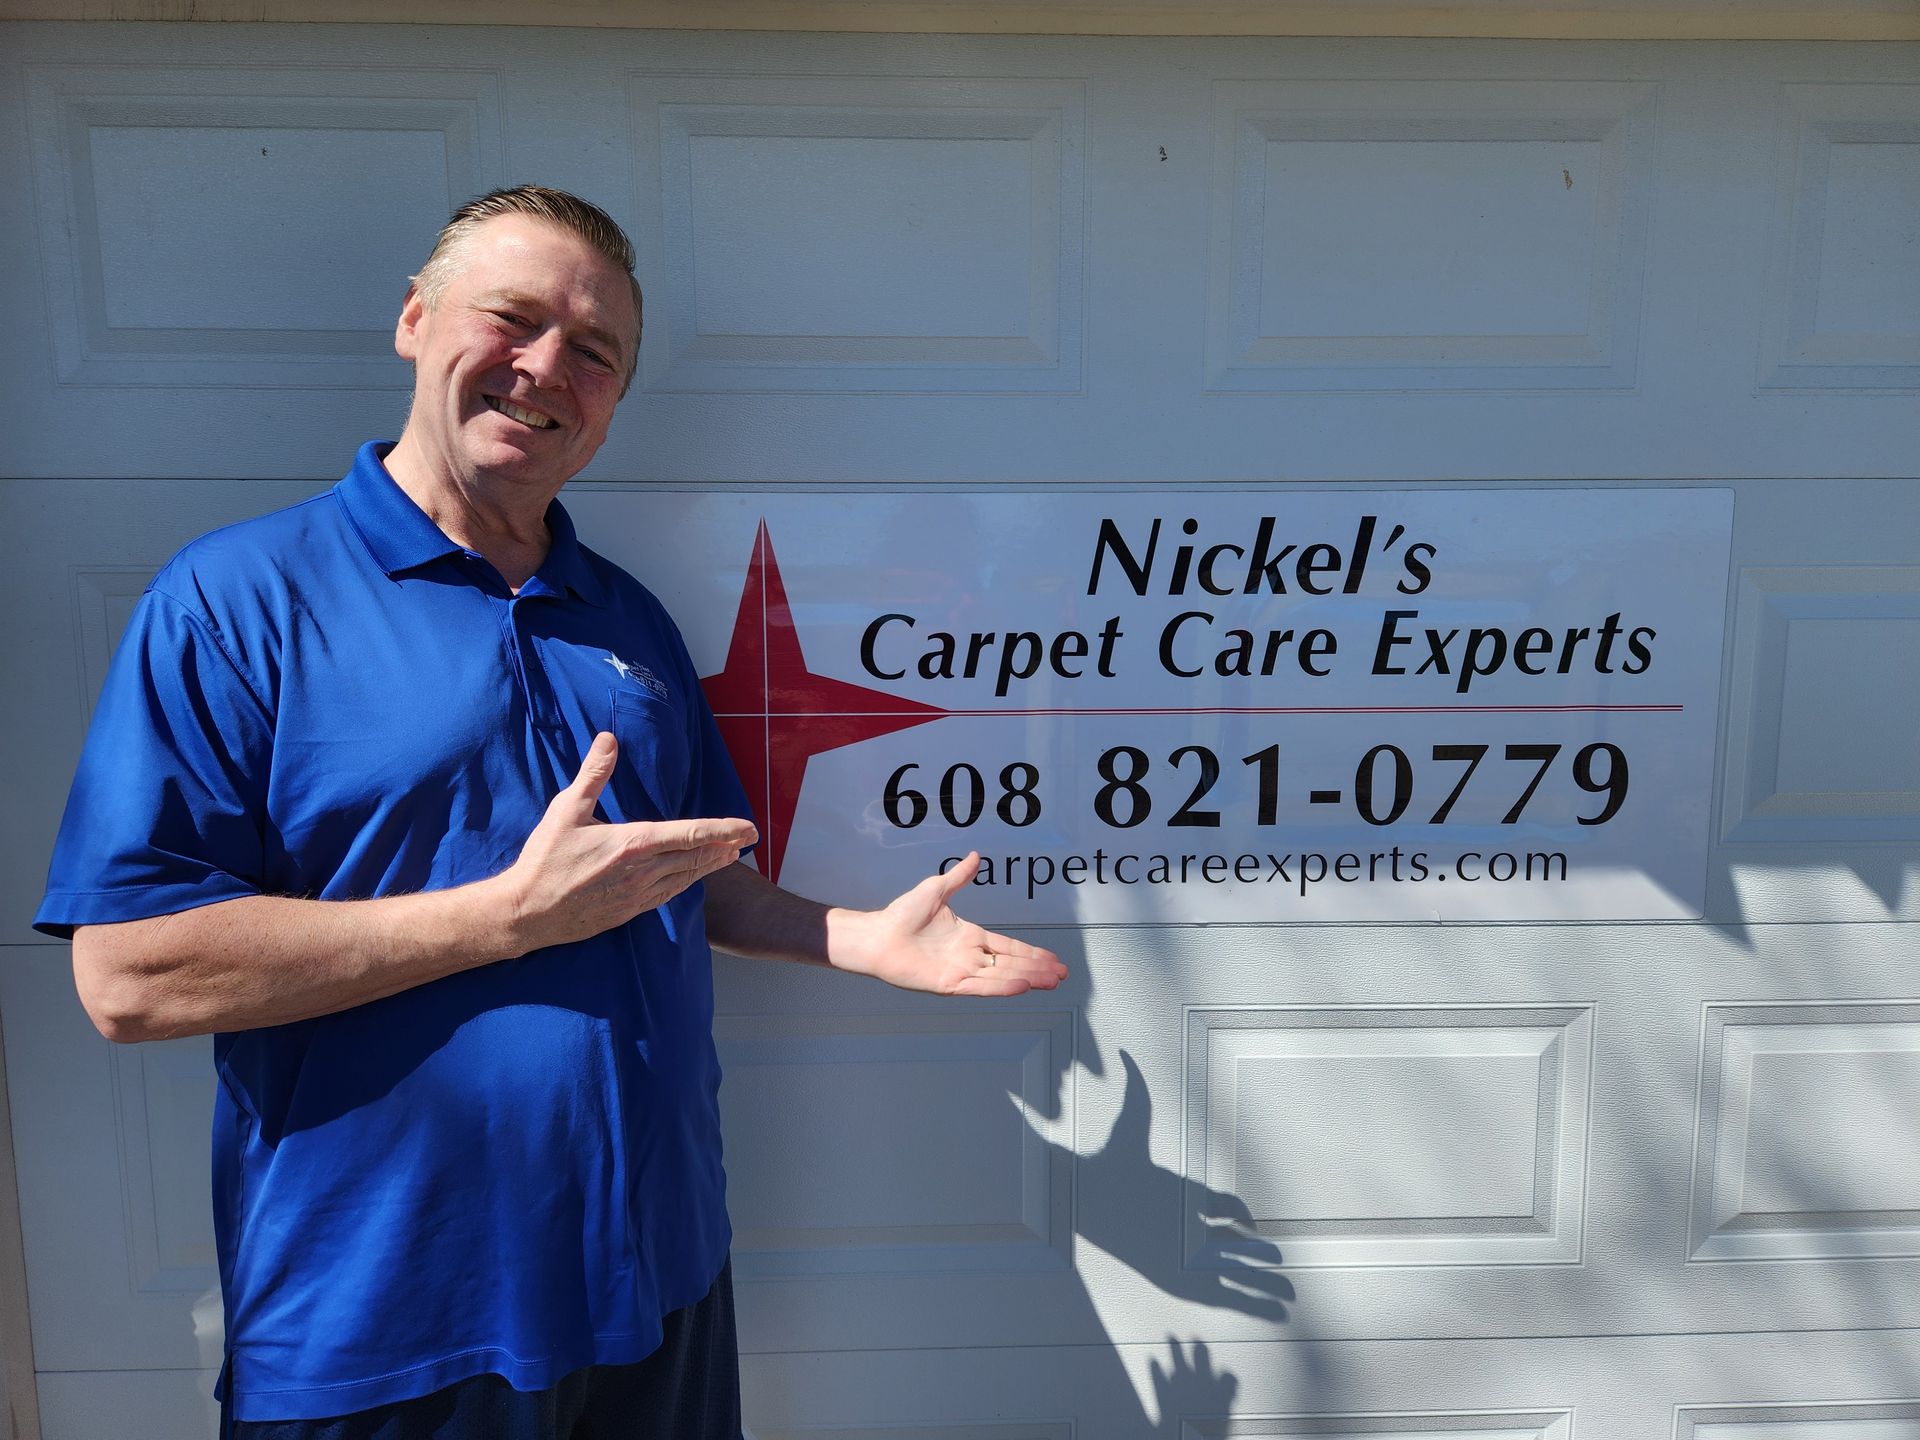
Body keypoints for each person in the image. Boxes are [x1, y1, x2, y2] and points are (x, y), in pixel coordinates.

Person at [34, 185, 1065, 1440]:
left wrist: (849, 936)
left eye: (594, 352)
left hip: (661, 1286)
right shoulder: (237, 602)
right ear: (415, 320)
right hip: (387, 1322)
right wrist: (500, 920)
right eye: (511, 319)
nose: (544, 369)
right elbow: (129, 978)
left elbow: (681, 867)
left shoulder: (626, 619)